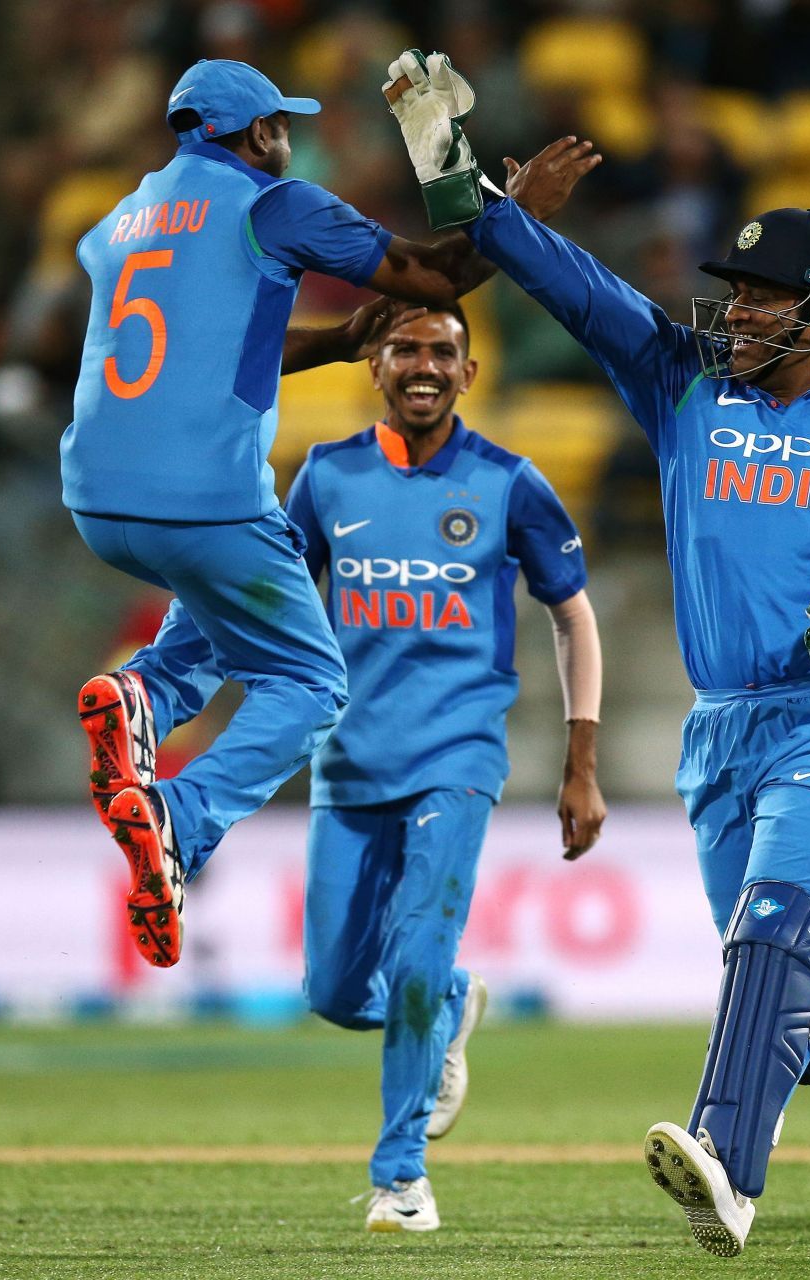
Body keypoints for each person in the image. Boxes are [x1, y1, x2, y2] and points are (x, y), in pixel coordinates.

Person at [449, 136, 810, 1257]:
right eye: (735, 294)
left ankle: (726, 1166)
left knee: (769, 937)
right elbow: (577, 291)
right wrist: (474, 197)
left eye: (760, 298)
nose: (736, 314)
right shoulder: (682, 383)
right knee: (794, 1000)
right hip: (720, 731)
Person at [65, 55, 509, 969]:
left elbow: (190, 345)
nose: (289, 139)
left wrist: (341, 341)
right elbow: (434, 279)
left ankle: (140, 692)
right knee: (310, 683)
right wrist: (523, 210)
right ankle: (177, 823)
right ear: (255, 133)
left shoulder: (122, 218)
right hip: (204, 500)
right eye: (281, 125)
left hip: (98, 500)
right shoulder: (275, 202)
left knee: (217, 621)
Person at [282, 304, 606, 1233]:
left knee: (419, 954)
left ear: (469, 374)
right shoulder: (325, 477)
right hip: (347, 761)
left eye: (443, 352)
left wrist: (581, 760)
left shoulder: (510, 483)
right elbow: (278, 605)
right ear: (375, 367)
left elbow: (573, 613)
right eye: (406, 350)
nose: (424, 366)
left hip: (457, 755)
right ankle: (452, 1007)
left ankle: (402, 1179)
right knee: (337, 994)